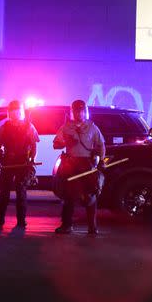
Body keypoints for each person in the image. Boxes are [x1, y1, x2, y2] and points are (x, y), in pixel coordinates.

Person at [53, 99, 106, 235]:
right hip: (71, 165)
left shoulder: (92, 127)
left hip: (87, 165)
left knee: (91, 195)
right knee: (68, 196)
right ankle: (67, 225)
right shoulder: (66, 127)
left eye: (81, 110)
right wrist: (66, 141)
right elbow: (56, 144)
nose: (79, 113)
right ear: (72, 112)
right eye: (76, 111)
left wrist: (100, 161)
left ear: (85, 111)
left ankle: (92, 227)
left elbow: (101, 144)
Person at [0, 100, 39, 229]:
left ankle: (21, 220)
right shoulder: (5, 127)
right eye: (13, 112)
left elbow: (34, 145)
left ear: (20, 112)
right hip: (7, 162)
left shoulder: (29, 126)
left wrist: (31, 160)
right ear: (10, 113)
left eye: (17, 111)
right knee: (4, 192)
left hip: (22, 163)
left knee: (21, 192)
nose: (15, 114)